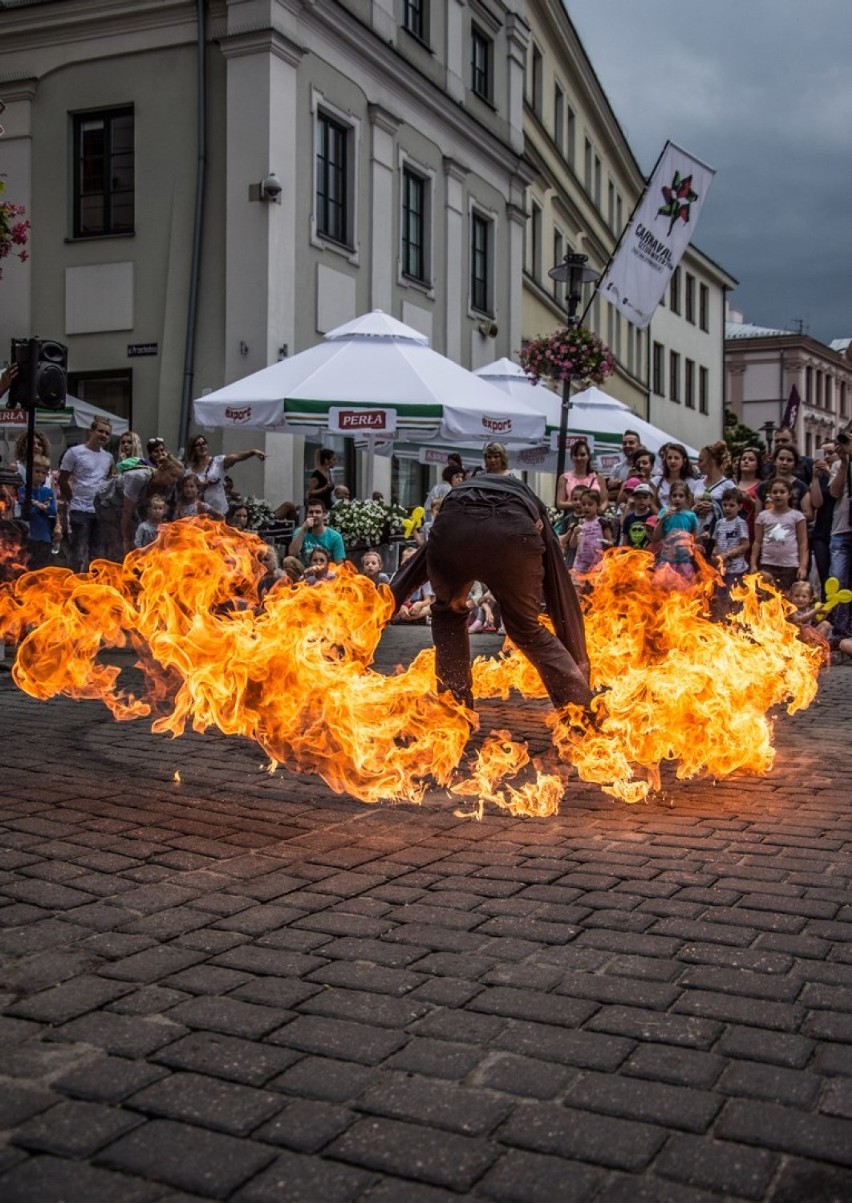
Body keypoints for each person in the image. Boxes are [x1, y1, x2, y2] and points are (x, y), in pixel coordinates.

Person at [389, 454, 591, 713]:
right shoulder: (526, 496)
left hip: (452, 533)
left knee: (448, 614)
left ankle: (455, 709)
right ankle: (580, 712)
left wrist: (388, 600)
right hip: (510, 538)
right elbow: (555, 572)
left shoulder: (461, 493)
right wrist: (577, 653)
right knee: (527, 630)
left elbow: (425, 554)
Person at [58, 417, 115, 572]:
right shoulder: (75, 453)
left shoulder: (108, 457)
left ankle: (94, 586)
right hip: (80, 509)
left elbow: (108, 481)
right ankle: (75, 583)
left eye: (107, 433)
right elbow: (62, 480)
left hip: (100, 510)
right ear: (91, 431)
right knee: (78, 552)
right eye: (100, 431)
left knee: (97, 553)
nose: (103, 435)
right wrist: (71, 499)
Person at [751, 476, 809, 592]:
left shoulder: (797, 516)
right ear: (770, 495)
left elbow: (803, 544)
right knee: (767, 599)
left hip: (790, 565)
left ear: (789, 494)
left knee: (786, 598)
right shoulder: (763, 516)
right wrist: (753, 564)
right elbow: (757, 542)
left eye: (782, 492)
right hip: (768, 564)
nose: (778, 495)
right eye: (775, 492)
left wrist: (803, 566)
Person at [184, 434, 266, 515]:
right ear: (193, 449)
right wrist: (200, 487)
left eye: (204, 443)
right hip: (200, 513)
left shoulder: (217, 462)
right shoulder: (189, 472)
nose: (202, 446)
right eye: (198, 445)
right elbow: (185, 494)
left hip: (219, 510)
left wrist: (252, 452)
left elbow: (235, 457)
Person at [827, 428, 852, 640]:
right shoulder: (838, 464)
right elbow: (834, 492)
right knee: (838, 581)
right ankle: (840, 632)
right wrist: (844, 462)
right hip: (841, 531)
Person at [651, 479, 699, 586]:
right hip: (667, 560)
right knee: (664, 590)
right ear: (670, 497)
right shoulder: (664, 513)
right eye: (674, 495)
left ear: (686, 498)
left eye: (681, 496)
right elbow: (656, 537)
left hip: (684, 560)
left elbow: (693, 539)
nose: (677, 498)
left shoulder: (691, 516)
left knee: (684, 591)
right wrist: (663, 519)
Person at [693, 441, 736, 556]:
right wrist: (695, 509)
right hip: (697, 531)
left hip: (716, 535)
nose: (698, 464)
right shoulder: (696, 484)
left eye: (701, 460)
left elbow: (735, 512)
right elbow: (687, 508)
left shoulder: (728, 485)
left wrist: (714, 507)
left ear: (712, 461)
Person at [18, 455, 57, 570]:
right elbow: (28, 510)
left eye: (43, 472)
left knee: (43, 567)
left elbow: (52, 510)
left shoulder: (47, 491)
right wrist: (40, 506)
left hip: (44, 535)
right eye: (37, 471)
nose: (40, 474)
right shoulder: (23, 489)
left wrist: (35, 503)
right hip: (29, 534)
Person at [808, 441, 837, 593]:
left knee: (838, 575)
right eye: (823, 453)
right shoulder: (820, 476)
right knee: (824, 575)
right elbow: (816, 503)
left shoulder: (841, 474)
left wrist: (831, 474)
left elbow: (837, 495)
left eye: (831, 452)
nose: (827, 457)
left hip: (838, 530)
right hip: (821, 532)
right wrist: (815, 478)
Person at [569, 488, 613, 579]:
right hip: (580, 565)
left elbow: (611, 542)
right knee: (578, 590)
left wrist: (606, 543)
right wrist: (574, 534)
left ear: (597, 505)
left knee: (593, 589)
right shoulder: (579, 523)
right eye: (584, 504)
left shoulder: (602, 522)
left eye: (590, 504)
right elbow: (572, 545)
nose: (586, 507)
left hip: (597, 565)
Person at [556, 439, 607, 512]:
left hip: (593, 518)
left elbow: (604, 501)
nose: (579, 458)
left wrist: (601, 510)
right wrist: (578, 504)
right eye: (576, 455)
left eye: (582, 455)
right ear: (571, 457)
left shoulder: (598, 477)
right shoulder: (564, 478)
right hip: (572, 517)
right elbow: (559, 503)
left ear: (588, 456)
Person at [289, 500, 345, 566]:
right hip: (304, 572)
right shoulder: (299, 531)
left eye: (318, 512)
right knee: (288, 561)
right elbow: (292, 553)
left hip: (327, 573)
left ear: (324, 515)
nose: (314, 515)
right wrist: (303, 529)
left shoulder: (335, 537)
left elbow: (339, 565)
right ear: (306, 515)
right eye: (311, 512)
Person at [756, 446, 810, 515]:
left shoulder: (801, 487)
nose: (784, 463)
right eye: (781, 459)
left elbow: (809, 514)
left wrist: (784, 517)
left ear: (795, 464)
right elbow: (757, 516)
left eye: (789, 460)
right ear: (775, 461)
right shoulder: (763, 486)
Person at [390, 545, 435, 624]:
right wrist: (401, 606)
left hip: (416, 607)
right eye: (407, 561)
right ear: (401, 562)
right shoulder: (396, 576)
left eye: (413, 561)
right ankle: (410, 619)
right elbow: (391, 598)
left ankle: (411, 618)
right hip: (401, 607)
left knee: (430, 608)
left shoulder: (424, 576)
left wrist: (419, 604)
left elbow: (428, 600)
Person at [653, 442, 697, 509]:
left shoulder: (691, 483)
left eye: (676, 458)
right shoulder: (656, 481)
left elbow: (690, 507)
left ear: (684, 460)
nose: (672, 461)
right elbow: (652, 504)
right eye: (669, 458)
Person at [606, 429, 643, 499]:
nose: (627, 445)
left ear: (639, 445)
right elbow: (611, 491)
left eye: (631, 443)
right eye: (624, 443)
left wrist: (620, 483)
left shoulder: (645, 466)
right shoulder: (616, 468)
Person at [620, 482, 655, 549]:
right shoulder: (628, 518)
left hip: (648, 554)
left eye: (645, 498)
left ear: (650, 499)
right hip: (632, 554)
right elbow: (625, 539)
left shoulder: (652, 517)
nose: (641, 500)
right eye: (638, 498)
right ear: (634, 499)